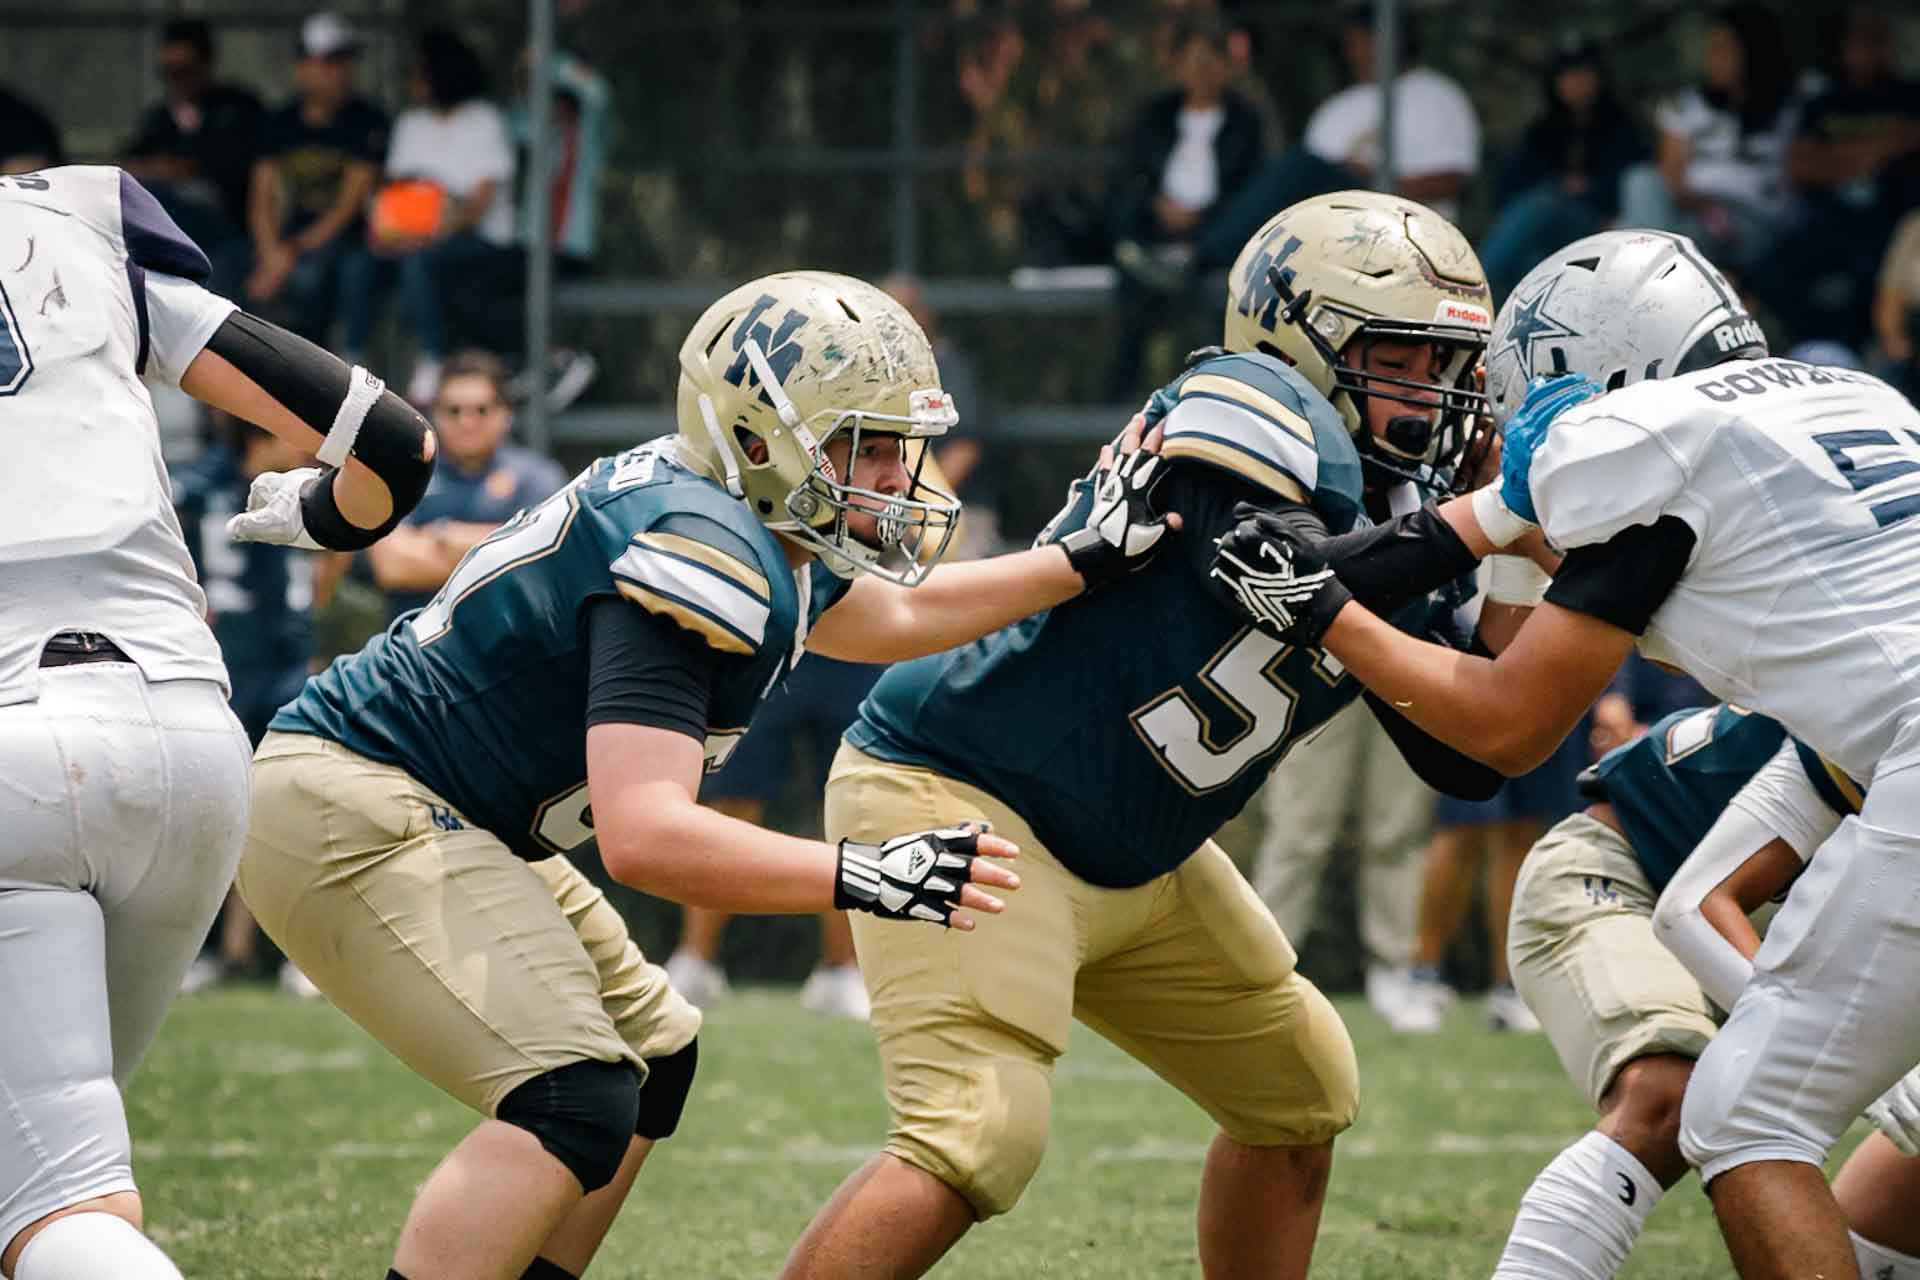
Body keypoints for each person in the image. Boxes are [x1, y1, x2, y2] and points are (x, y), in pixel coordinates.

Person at [235, 270, 1177, 1280]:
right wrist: (869, 873)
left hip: (438, 806)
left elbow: (898, 615)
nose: (896, 476)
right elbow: (646, 837)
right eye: (866, 444)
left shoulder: (741, 512)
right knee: (570, 1094)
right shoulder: (700, 547)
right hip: (359, 804)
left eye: (900, 445)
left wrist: (1079, 561)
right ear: (762, 438)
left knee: (651, 1062)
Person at [777, 191, 1549, 1280]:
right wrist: (1493, 512)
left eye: (1446, 365)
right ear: (1299, 335)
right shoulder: (1245, 399)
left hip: (1137, 847)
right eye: (1400, 359)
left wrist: (1515, 557)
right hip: (971, 795)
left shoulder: (1401, 509)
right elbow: (1288, 568)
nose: (1431, 394)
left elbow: (1462, 753)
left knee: (1298, 1092)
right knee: (977, 1136)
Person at [1212, 226, 1920, 1280]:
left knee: (1746, 1116)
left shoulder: (1644, 435)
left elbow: (1505, 724)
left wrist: (1325, 609)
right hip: (1874, 761)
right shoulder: (1859, 398)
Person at [0, 163, 434, 1280]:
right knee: (50, 1185)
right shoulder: (78, 217)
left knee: (53, 1205)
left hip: (16, 758)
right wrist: (322, 514)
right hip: (189, 741)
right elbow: (396, 442)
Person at [1494, 702, 1920, 1280]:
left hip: (1758, 925)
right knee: (1666, 1093)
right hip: (1628, 876)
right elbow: (1702, 903)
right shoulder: (1877, 722)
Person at [173, 417, 323, 996]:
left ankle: (294, 952)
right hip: (225, 662)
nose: (308, 444)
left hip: (285, 660)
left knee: (292, 807)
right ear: (262, 434)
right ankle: (209, 949)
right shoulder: (201, 486)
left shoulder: (304, 486)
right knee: (211, 810)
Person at [1195, 5, 1478, 271]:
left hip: (1398, 220)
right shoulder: (1338, 107)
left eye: (1360, 42)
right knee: (1292, 171)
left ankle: (1208, 256)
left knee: (1304, 168)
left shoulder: (1435, 94)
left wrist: (1368, 178)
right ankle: (1220, 258)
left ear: (1389, 40)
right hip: (1326, 229)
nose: (1352, 52)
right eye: (1350, 43)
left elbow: (1452, 179)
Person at [1103, 13, 1265, 398]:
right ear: (1176, 66)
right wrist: (1158, 207)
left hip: (1215, 232)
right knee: (1135, 290)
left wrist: (1203, 217)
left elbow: (1250, 188)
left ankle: (1215, 389)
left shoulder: (1245, 121)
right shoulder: (1155, 117)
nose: (1201, 71)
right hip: (1155, 228)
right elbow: (1131, 176)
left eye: (1210, 61)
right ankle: (1121, 392)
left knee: (1214, 290)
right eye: (1192, 61)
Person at [1248, 701, 1433, 1031]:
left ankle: (1394, 969)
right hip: (1323, 676)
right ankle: (1257, 971)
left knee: (1395, 832)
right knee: (1298, 832)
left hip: (1408, 679)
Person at [366, 349, 569, 620]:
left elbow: (546, 561)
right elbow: (393, 567)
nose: (467, 422)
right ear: (434, 414)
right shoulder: (404, 473)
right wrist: (505, 545)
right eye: (454, 411)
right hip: (418, 641)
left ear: (505, 414)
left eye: (481, 410)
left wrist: (443, 536)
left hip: (514, 639)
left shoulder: (538, 477)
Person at [375, 27, 518, 404]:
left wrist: (431, 229)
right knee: (362, 265)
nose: (412, 81)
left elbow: (477, 208)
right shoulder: (410, 124)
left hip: (481, 243)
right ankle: (354, 362)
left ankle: (432, 357)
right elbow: (394, 195)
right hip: (414, 239)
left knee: (421, 264)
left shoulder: (484, 120)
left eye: (419, 72)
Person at [246, 12, 388, 360]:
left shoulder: (367, 120)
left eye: (344, 60)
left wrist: (289, 254)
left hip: (349, 240)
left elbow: (347, 206)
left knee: (334, 273)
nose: (339, 71)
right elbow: (262, 197)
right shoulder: (280, 122)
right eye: (328, 61)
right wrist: (269, 254)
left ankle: (350, 364)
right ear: (302, 67)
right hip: (290, 239)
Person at [1616, 4, 1796, 276]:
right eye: (1711, 48)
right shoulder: (1691, 104)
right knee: (1640, 180)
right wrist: (1703, 206)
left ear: (1752, 50)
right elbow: (1670, 174)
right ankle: (1647, 273)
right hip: (1695, 212)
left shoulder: (1789, 104)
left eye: (1724, 48)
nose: (1713, 58)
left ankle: (1642, 276)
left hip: (1752, 220)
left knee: (1656, 245)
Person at [1479, 34, 1648, 302]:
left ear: (1599, 77)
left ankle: (1476, 285)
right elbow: (1508, 189)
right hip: (1546, 234)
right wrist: (1559, 187)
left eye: (1583, 73)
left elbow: (1631, 190)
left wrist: (1580, 191)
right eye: (1567, 75)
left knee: (1544, 204)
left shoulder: (1622, 128)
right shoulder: (1543, 130)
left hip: (1598, 230)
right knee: (1529, 262)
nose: (1575, 82)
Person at [123, 19, 264, 296]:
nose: (176, 80)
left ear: (205, 65)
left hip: (229, 227)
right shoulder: (159, 118)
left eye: (184, 71)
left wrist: (177, 169)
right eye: (168, 72)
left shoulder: (238, 108)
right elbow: (130, 164)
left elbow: (236, 169)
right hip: (172, 231)